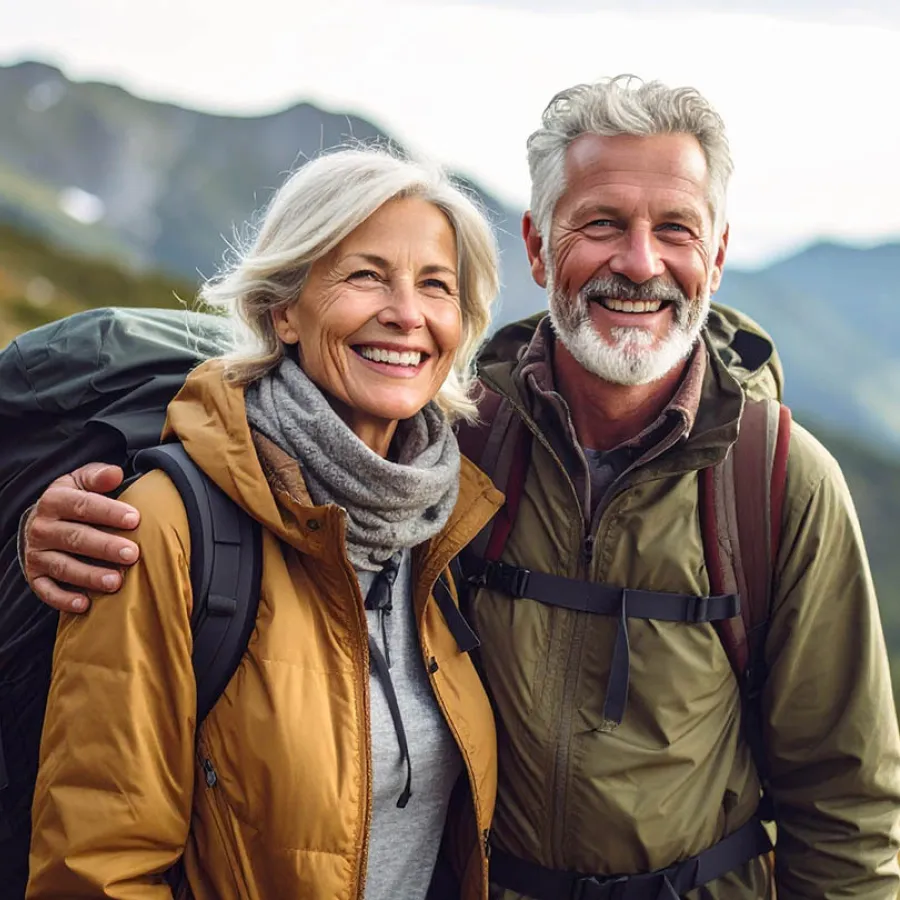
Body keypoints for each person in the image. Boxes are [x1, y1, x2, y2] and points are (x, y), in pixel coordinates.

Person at [22, 77, 900, 898]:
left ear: (717, 253)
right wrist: (74, 516)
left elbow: (849, 807)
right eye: (601, 223)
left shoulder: (769, 481)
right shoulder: (464, 448)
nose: (640, 262)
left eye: (676, 228)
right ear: (538, 247)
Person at [21, 147, 505, 899]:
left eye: (435, 285)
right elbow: (97, 870)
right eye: (366, 275)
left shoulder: (443, 526)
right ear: (284, 309)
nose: (407, 313)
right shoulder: (164, 527)